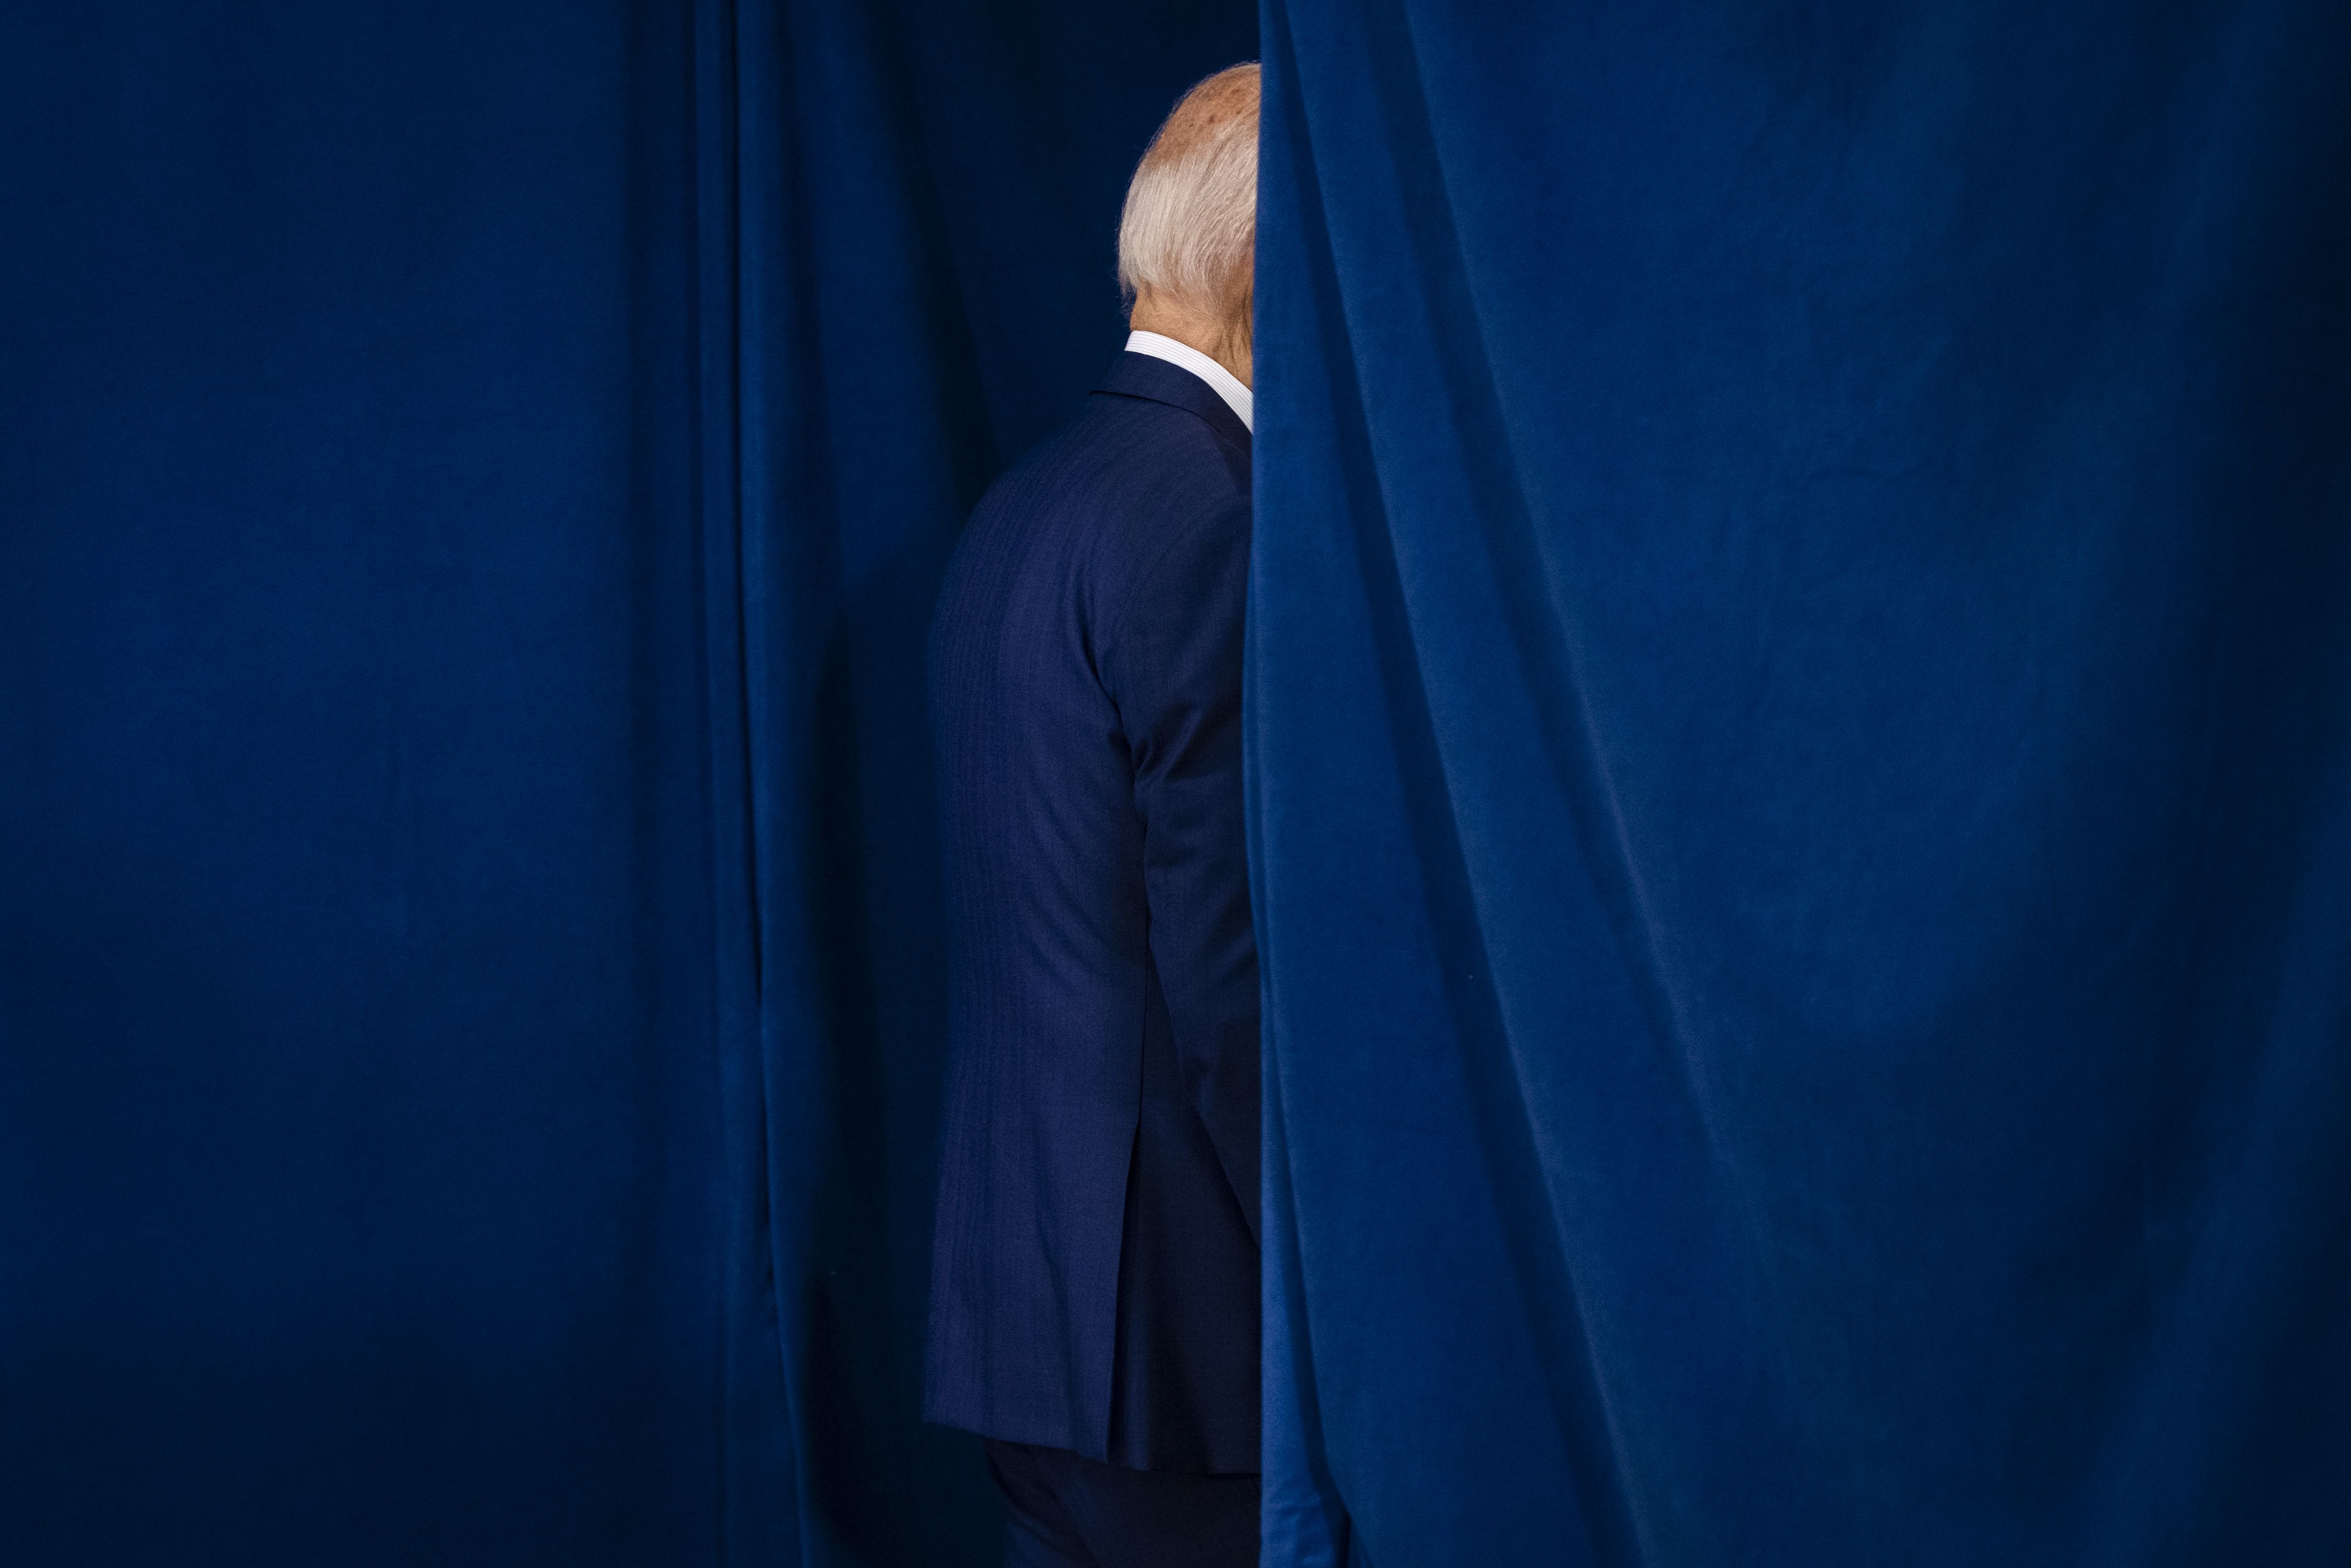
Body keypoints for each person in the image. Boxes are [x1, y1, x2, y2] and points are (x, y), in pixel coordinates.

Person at [922, 63, 1264, 1568]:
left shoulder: (1024, 506)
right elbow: (1221, 969)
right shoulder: (1210, 515)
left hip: (1015, 1313)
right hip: (1175, 1341)